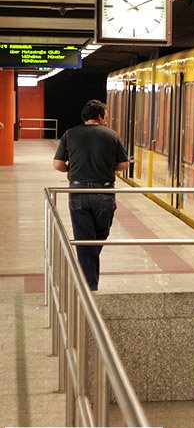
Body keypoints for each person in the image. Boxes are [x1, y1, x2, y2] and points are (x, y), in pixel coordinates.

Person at [52, 100, 129, 291]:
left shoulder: (70, 134)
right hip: (104, 192)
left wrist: (72, 169)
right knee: (100, 235)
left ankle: (88, 280)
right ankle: (89, 284)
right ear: (101, 116)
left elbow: (57, 164)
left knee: (85, 238)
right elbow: (124, 164)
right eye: (105, 116)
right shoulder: (112, 135)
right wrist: (107, 167)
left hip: (77, 193)